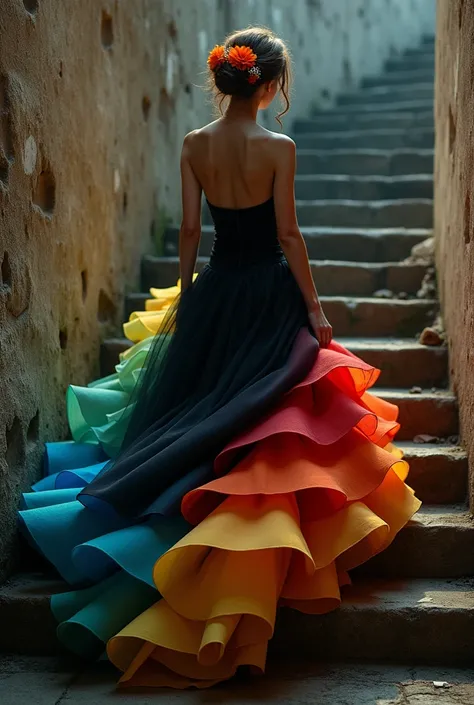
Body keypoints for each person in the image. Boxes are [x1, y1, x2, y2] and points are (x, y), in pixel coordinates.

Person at [18, 27, 421, 689]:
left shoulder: (194, 144)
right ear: (269, 84)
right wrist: (315, 311)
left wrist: (187, 299)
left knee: (203, 403)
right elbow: (288, 234)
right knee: (262, 407)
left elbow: (189, 230)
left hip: (217, 290)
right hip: (267, 293)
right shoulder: (279, 148)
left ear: (227, 80)